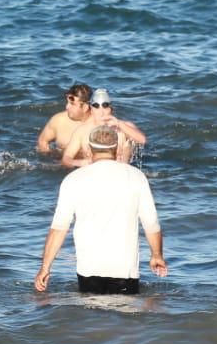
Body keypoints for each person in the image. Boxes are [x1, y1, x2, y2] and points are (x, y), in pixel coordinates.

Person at [34, 126, 167, 294]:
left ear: (89, 150)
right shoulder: (136, 176)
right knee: (126, 317)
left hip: (88, 269)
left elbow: (59, 228)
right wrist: (157, 255)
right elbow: (151, 223)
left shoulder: (73, 179)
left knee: (91, 317)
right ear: (117, 149)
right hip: (124, 270)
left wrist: (45, 268)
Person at [61, 89, 147, 165]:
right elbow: (66, 159)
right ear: (91, 110)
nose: (101, 112)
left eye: (105, 106)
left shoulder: (124, 127)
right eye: (96, 107)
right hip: (92, 170)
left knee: (127, 146)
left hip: (121, 171)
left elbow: (142, 140)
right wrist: (83, 163)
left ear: (111, 109)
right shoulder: (82, 131)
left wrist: (119, 124)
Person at [37, 84, 93, 155]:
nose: (67, 107)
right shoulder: (58, 120)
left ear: (85, 107)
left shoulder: (97, 125)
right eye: (67, 102)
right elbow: (42, 141)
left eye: (72, 104)